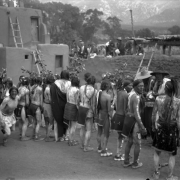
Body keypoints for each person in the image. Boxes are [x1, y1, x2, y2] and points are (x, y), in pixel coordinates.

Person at [151, 78, 180, 180]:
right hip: (172, 129)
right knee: (172, 155)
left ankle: (156, 174)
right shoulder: (178, 102)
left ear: (165, 88)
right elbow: (178, 119)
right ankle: (170, 176)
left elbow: (153, 116)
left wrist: (153, 128)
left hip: (160, 128)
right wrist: (179, 133)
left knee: (157, 152)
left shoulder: (158, 99)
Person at [122, 80, 147, 168]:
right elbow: (137, 114)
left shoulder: (130, 94)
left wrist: (129, 114)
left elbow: (126, 109)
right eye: (140, 86)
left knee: (129, 141)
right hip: (135, 123)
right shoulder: (135, 97)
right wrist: (142, 127)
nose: (142, 87)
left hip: (128, 121)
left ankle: (126, 161)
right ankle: (135, 163)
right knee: (138, 143)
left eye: (143, 86)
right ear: (135, 86)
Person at [50, 70, 71, 142]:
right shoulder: (70, 84)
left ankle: (57, 137)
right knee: (67, 120)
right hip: (67, 105)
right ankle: (66, 136)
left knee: (57, 120)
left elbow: (52, 95)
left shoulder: (54, 84)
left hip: (57, 105)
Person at [78, 74, 97, 152]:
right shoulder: (94, 90)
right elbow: (93, 104)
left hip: (81, 107)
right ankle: (86, 146)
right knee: (88, 129)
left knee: (82, 127)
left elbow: (78, 98)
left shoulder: (81, 87)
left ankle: (82, 145)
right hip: (88, 110)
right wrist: (94, 113)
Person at [111, 78, 128, 161]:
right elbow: (125, 109)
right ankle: (118, 154)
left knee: (119, 136)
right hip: (122, 117)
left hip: (117, 116)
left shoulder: (118, 93)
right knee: (122, 137)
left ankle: (118, 153)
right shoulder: (125, 94)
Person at [96, 79, 113, 156]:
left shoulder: (98, 94)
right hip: (105, 115)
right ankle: (104, 150)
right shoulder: (108, 96)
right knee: (106, 133)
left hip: (99, 114)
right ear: (107, 86)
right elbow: (109, 109)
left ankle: (99, 147)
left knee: (99, 132)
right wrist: (111, 117)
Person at [64, 76, 80, 146]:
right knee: (73, 125)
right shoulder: (77, 90)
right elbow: (77, 101)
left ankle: (70, 139)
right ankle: (71, 140)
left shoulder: (68, 89)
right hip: (73, 106)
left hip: (68, 105)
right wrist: (78, 109)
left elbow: (67, 98)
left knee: (70, 125)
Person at [29, 77, 43, 141]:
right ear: (40, 82)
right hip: (37, 106)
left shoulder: (32, 87)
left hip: (32, 105)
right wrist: (42, 107)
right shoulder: (40, 89)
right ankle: (36, 136)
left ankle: (33, 135)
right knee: (39, 122)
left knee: (34, 121)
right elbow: (41, 100)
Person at [43, 75, 54, 142]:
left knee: (46, 121)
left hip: (45, 104)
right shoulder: (49, 89)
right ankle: (47, 136)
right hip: (48, 105)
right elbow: (50, 99)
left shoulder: (45, 87)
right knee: (50, 121)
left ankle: (47, 135)